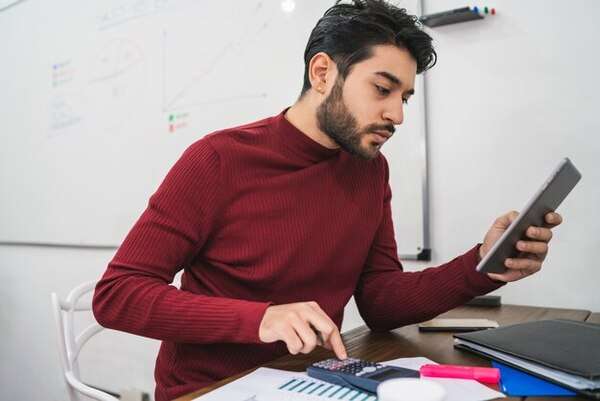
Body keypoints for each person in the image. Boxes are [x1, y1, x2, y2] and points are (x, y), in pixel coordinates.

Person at [92, 1, 562, 400]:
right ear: (322, 73)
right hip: (214, 388)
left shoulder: (371, 169)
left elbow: (379, 301)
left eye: (405, 96)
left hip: (312, 381)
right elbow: (117, 295)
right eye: (382, 89)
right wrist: (260, 319)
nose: (396, 114)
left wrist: (480, 265)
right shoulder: (218, 160)